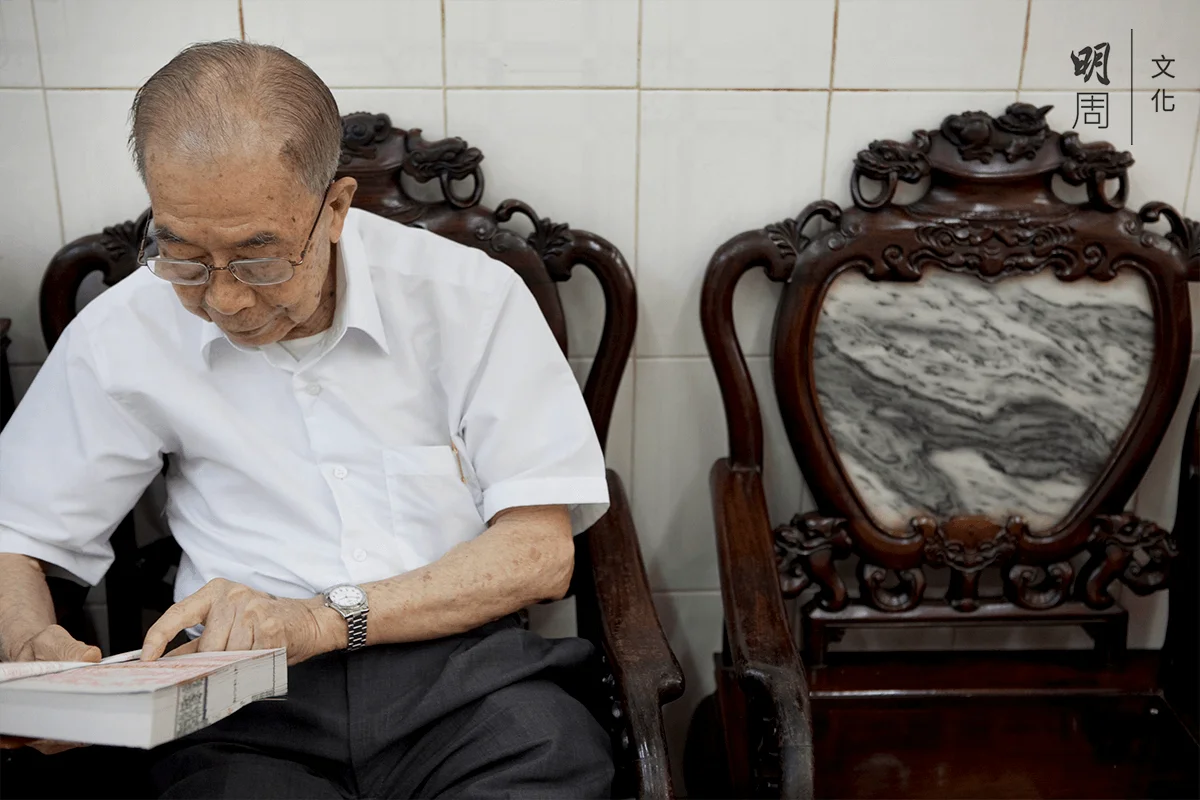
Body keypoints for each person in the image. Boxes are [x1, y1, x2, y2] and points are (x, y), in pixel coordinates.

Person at [0, 40, 613, 799]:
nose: (224, 300)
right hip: (236, 700)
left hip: (466, 678)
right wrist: (30, 648)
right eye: (184, 257)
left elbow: (539, 553)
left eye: (258, 259)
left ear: (336, 209)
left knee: (550, 763)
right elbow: (16, 535)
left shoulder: (468, 297)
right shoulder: (124, 329)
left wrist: (322, 620)